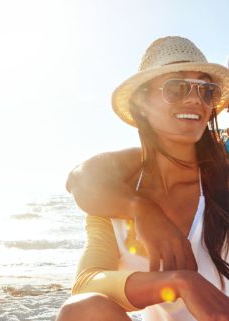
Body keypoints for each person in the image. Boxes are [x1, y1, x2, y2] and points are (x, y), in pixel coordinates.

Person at [56, 36, 229, 321]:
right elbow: (85, 283)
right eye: (176, 87)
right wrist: (180, 282)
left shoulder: (221, 183)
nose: (194, 99)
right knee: (83, 310)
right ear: (141, 102)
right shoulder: (112, 196)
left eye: (206, 90)